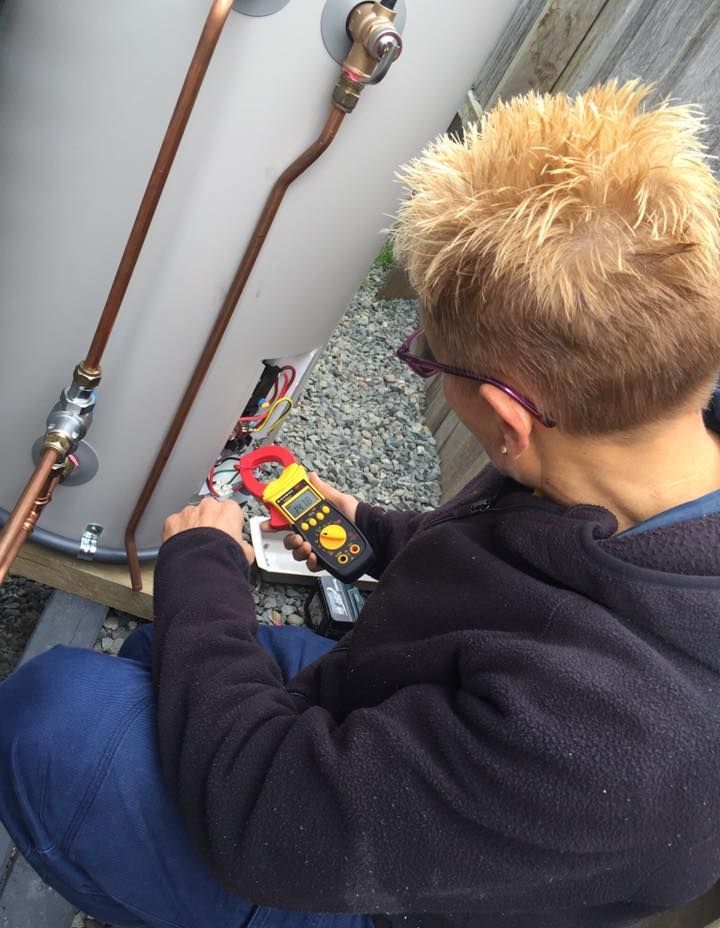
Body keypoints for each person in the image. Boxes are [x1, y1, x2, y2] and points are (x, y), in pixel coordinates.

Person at [2, 79, 720, 928]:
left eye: (427, 360)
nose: (426, 366)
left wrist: (203, 568)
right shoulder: (648, 443)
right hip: (413, 711)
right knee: (168, 652)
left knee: (50, 717)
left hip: (395, 892)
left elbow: (262, 816)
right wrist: (376, 536)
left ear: (507, 418)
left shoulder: (611, 742)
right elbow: (536, 554)